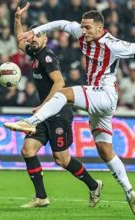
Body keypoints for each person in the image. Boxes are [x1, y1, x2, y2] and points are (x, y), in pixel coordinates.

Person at [5, 8, 135, 215]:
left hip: (105, 94)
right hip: (97, 101)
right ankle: (130, 192)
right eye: (82, 26)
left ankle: (31, 121)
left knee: (64, 93)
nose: (83, 30)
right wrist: (34, 30)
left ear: (100, 27)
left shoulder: (113, 44)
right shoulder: (81, 33)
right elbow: (61, 23)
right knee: (104, 150)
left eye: (88, 27)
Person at [12, 3, 102, 208]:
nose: (33, 38)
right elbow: (19, 42)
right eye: (33, 35)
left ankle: (94, 185)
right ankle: (41, 197)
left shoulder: (46, 56)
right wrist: (18, 20)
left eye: (38, 35)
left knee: (62, 159)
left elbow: (60, 83)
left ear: (45, 38)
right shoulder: (35, 54)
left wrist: (43, 106)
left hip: (59, 112)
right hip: (45, 113)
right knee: (28, 150)